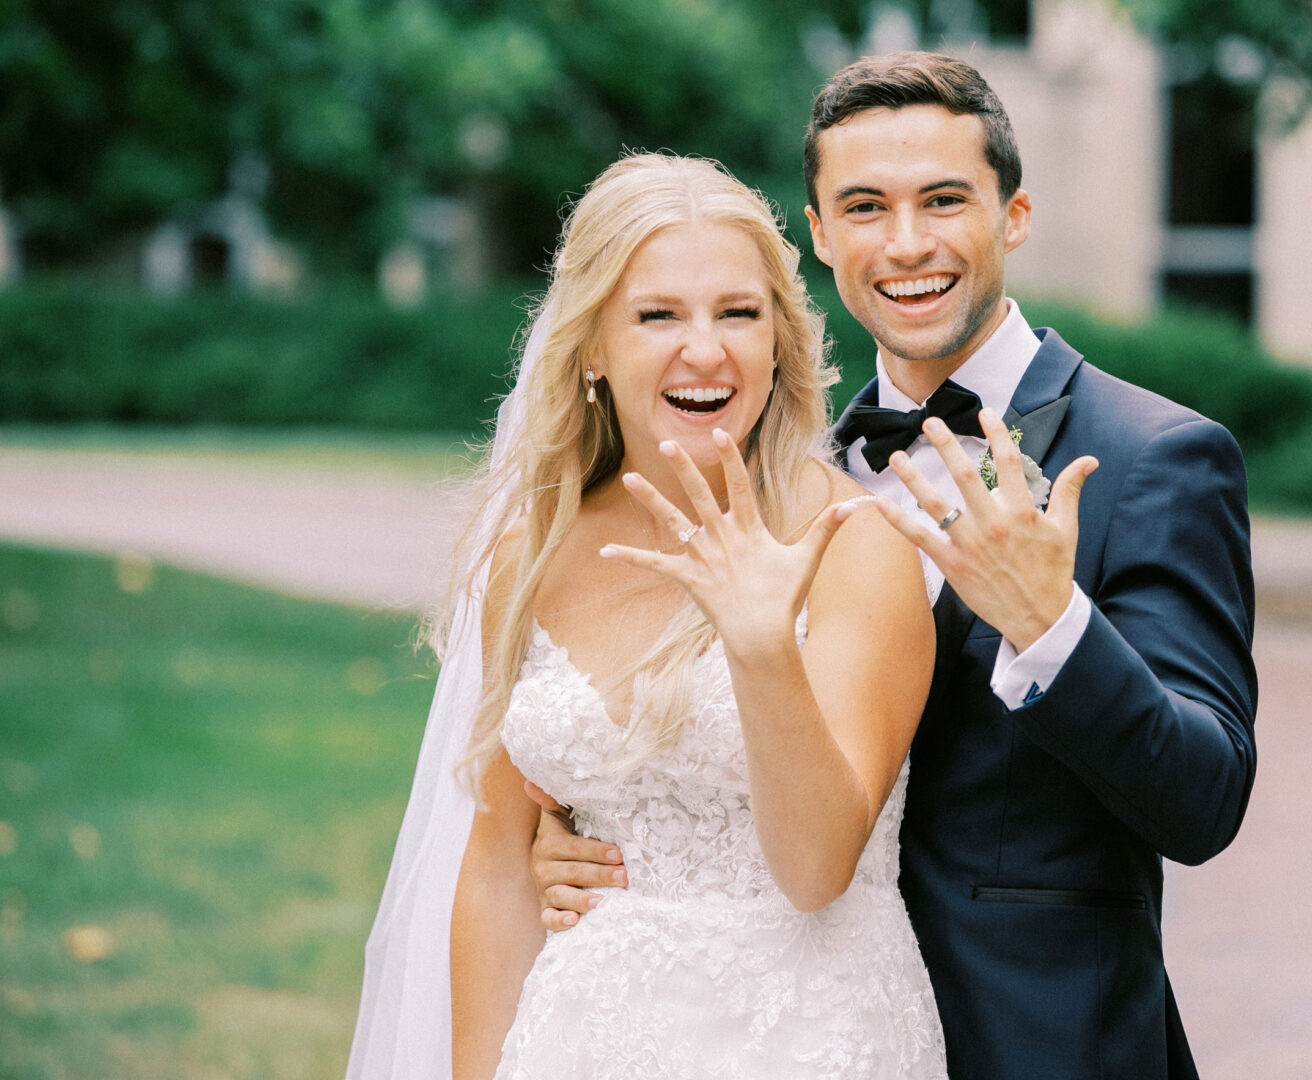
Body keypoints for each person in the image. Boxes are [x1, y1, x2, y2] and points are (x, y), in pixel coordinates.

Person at [530, 53, 1259, 1078]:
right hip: (793, 1034)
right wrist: (576, 843)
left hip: (1037, 1042)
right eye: (865, 207)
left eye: (944, 200)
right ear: (821, 234)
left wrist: (1054, 627)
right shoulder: (779, 472)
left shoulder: (1154, 459)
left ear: (1014, 214)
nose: (906, 243)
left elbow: (1204, 800)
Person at [347, 153, 947, 1079]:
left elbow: (819, 866)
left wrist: (759, 648)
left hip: (811, 1041)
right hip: (582, 1040)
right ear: (591, 343)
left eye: (738, 314)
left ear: (780, 339)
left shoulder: (852, 542)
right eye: (658, 314)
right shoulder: (532, 554)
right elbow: (502, 866)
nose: (705, 350)